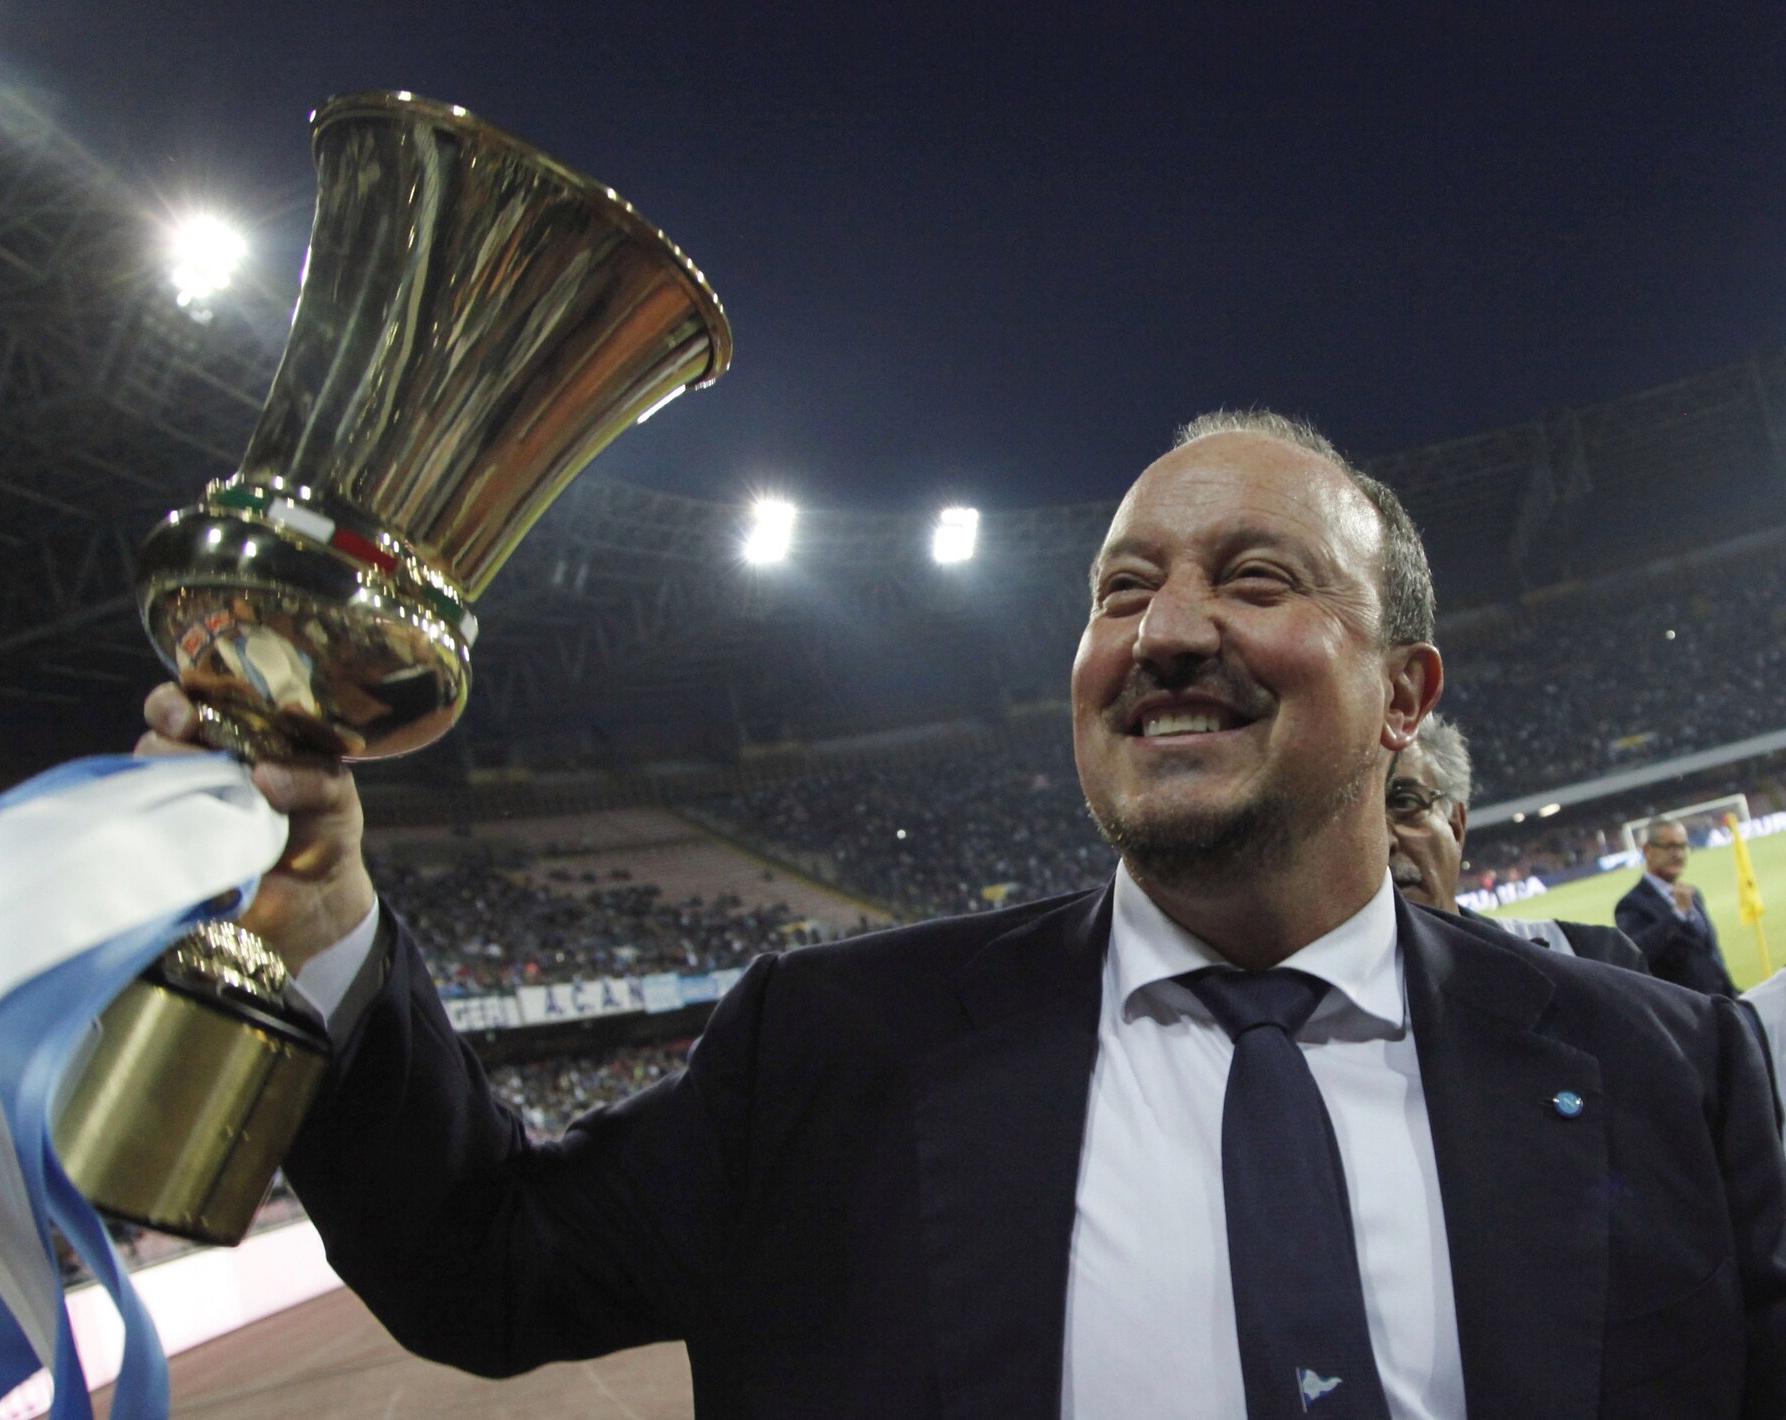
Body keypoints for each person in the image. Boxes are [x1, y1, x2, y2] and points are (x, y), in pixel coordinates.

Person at [142, 411, 1786, 1418]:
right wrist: (327, 916)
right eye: (1121, 590)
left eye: (1254, 579)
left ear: (1403, 697)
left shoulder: (1669, 1071)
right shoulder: (833, 1049)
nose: (1165, 632)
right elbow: (481, 1269)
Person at [1386, 713, 1646, 970]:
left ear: (1455, 825)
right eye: (1362, 817)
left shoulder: (1589, 957)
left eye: (1404, 802)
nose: (1384, 840)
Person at [1616, 817, 1737, 996]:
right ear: (1648, 850)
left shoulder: (1693, 894)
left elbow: (1711, 954)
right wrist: (1677, 915)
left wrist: (1732, 995)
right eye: (1671, 847)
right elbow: (1636, 955)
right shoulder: (1631, 904)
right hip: (1682, 1008)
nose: (1679, 854)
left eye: (1682, 846)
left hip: (1720, 1002)